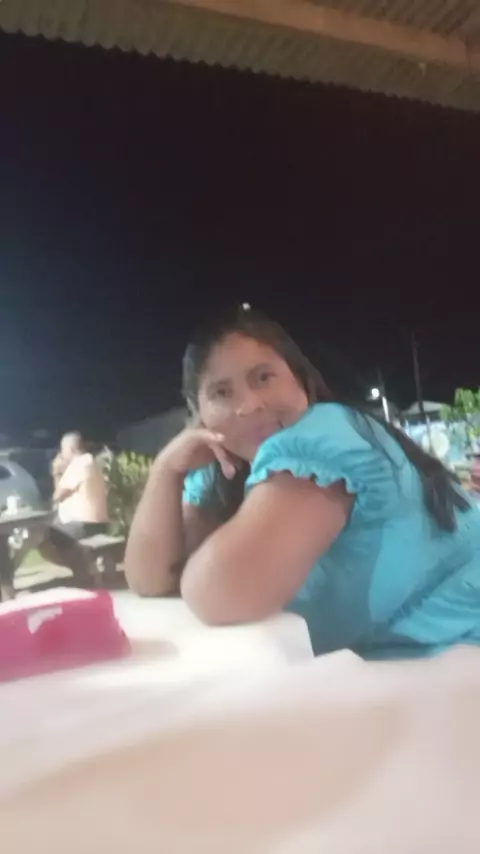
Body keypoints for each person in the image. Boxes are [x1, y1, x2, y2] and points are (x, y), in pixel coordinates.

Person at [125, 307, 480, 659]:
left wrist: (201, 558)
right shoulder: (225, 468)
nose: (249, 405)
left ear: (300, 378)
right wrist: (167, 471)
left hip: (461, 647)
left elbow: (220, 592)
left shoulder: (324, 436)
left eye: (263, 377)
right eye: (221, 392)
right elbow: (149, 578)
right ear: (198, 413)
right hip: (413, 659)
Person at [39, 432, 109, 579]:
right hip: (98, 523)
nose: (61, 454)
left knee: (41, 537)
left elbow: (58, 496)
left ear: (70, 449)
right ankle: (82, 567)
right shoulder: (91, 461)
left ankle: (80, 568)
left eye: (62, 450)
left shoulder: (78, 465)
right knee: (51, 529)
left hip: (81, 524)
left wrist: (56, 473)